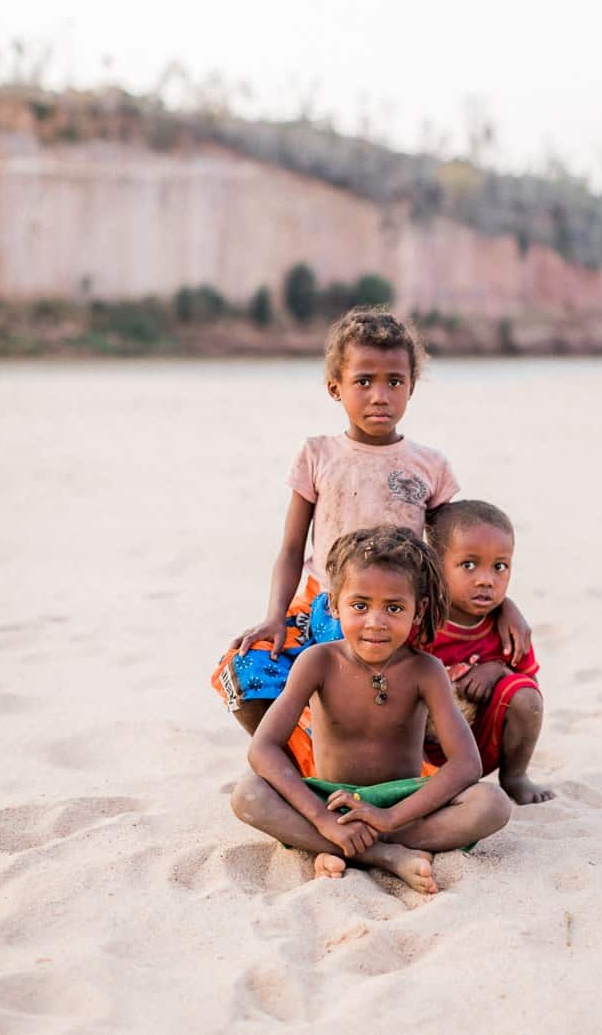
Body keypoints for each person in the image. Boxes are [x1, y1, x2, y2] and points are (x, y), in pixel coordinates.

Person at [209, 306, 531, 752]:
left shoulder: (428, 466)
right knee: (245, 669)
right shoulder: (317, 456)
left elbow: (459, 552)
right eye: (364, 381)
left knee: (376, 690)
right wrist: (274, 615)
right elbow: (290, 548)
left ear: (411, 387)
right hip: (322, 603)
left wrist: (504, 605)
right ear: (334, 388)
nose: (380, 395)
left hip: (396, 611)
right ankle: (306, 760)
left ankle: (380, 761)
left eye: (394, 382)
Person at [229, 526, 512, 892]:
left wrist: (389, 817)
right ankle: (384, 855)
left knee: (492, 803)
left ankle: (346, 849)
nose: (375, 622)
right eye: (360, 606)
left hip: (403, 804)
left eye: (393, 608)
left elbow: (465, 764)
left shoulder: (425, 671)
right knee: (247, 795)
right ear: (334, 604)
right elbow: (263, 748)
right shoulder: (318, 662)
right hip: (329, 800)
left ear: (417, 610)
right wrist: (321, 818)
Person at [425, 500, 554, 805]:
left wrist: (498, 670)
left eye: (500, 566)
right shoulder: (421, 621)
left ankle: (515, 777)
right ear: (436, 564)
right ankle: (423, 777)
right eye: (468, 565)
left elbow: (531, 699)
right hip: (414, 748)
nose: (486, 580)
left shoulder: (509, 630)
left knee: (524, 694)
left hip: (477, 747)